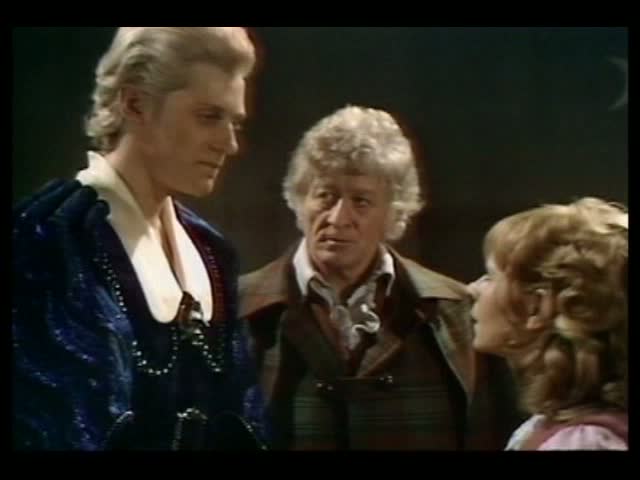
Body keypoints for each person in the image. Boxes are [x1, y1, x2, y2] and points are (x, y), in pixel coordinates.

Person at [13, 27, 267, 450]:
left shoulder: (211, 252)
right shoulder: (50, 240)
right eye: (209, 116)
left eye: (234, 121)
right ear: (135, 104)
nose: (230, 143)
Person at [239, 105, 520, 450]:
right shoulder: (237, 308)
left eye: (361, 201)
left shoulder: (455, 312)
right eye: (325, 196)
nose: (338, 218)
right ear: (300, 198)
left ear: (394, 212)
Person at [467, 197, 628, 450]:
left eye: (490, 277)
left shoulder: (582, 442)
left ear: (537, 306)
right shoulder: (557, 425)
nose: (472, 289)